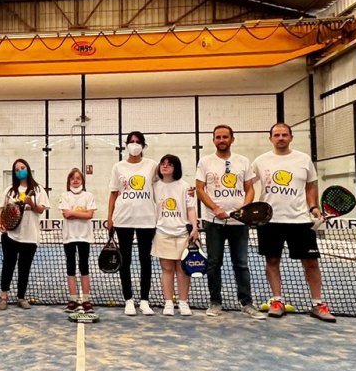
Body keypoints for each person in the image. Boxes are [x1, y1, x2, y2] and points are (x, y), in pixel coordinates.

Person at [251, 123, 335, 323]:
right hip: (270, 220)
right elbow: (246, 184)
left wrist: (313, 207)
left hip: (300, 220)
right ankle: (277, 301)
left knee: (311, 263)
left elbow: (311, 186)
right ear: (270, 138)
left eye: (284, 135)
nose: (280, 138)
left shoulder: (303, 159)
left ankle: (318, 304)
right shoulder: (260, 161)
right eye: (276, 135)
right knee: (272, 261)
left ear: (291, 137)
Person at [196, 125, 266, 320]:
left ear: (232, 139)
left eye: (225, 137)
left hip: (239, 224)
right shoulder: (205, 162)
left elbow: (249, 189)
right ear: (213, 140)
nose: (221, 140)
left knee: (241, 264)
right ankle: (215, 302)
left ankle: (247, 303)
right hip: (214, 222)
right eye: (218, 137)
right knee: (214, 263)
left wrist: (244, 209)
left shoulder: (243, 161)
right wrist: (215, 209)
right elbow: (200, 189)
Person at [107, 131, 158, 316]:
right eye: (131, 141)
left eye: (138, 142)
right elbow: (113, 194)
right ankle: (128, 300)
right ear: (126, 144)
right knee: (125, 260)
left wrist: (186, 191)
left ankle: (144, 301)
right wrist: (110, 218)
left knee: (145, 260)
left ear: (143, 146)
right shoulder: (118, 167)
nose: (134, 145)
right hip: (123, 219)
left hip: (147, 219)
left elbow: (166, 183)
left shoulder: (152, 165)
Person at [0, 159, 49, 310]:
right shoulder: (9, 191)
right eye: (17, 169)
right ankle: (3, 296)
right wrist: (0, 222)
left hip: (30, 236)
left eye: (22, 167)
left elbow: (41, 210)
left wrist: (31, 204)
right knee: (8, 265)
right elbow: (2, 209)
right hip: (10, 235)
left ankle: (21, 297)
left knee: (24, 267)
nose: (20, 171)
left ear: (28, 168)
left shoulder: (38, 189)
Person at [152, 154, 199, 316]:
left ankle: (183, 302)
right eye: (163, 163)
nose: (165, 166)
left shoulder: (185, 186)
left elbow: (191, 209)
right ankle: (168, 303)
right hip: (162, 232)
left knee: (183, 270)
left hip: (182, 233)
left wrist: (195, 227)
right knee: (167, 269)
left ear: (176, 168)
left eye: (170, 164)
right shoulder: (154, 186)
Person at [59, 168, 96, 313]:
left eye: (78, 178)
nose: (75, 180)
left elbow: (89, 215)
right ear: (69, 181)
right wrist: (82, 213)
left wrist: (73, 212)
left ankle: (86, 300)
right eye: (72, 178)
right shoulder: (64, 196)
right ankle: (73, 300)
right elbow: (66, 215)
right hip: (69, 237)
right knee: (70, 268)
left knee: (84, 267)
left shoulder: (89, 196)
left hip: (84, 237)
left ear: (82, 181)